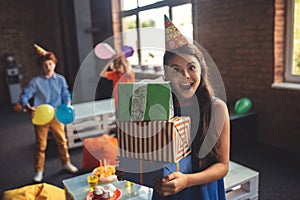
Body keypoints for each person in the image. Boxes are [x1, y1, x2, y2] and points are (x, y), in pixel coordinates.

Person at [151, 43, 230, 199]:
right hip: (166, 191)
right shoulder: (158, 107)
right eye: (175, 70)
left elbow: (222, 166)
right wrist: (131, 168)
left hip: (201, 192)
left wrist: (187, 181)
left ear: (201, 71)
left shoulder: (216, 108)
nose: (185, 75)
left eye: (191, 67)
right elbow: (150, 152)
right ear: (166, 75)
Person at [19, 44, 78, 182]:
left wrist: (67, 103)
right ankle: (38, 170)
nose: (48, 67)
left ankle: (66, 163)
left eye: (50, 64)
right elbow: (25, 95)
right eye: (45, 65)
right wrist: (27, 106)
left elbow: (65, 93)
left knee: (62, 141)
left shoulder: (61, 79)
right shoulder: (36, 81)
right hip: (41, 116)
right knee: (41, 145)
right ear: (41, 66)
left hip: (57, 114)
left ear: (54, 64)